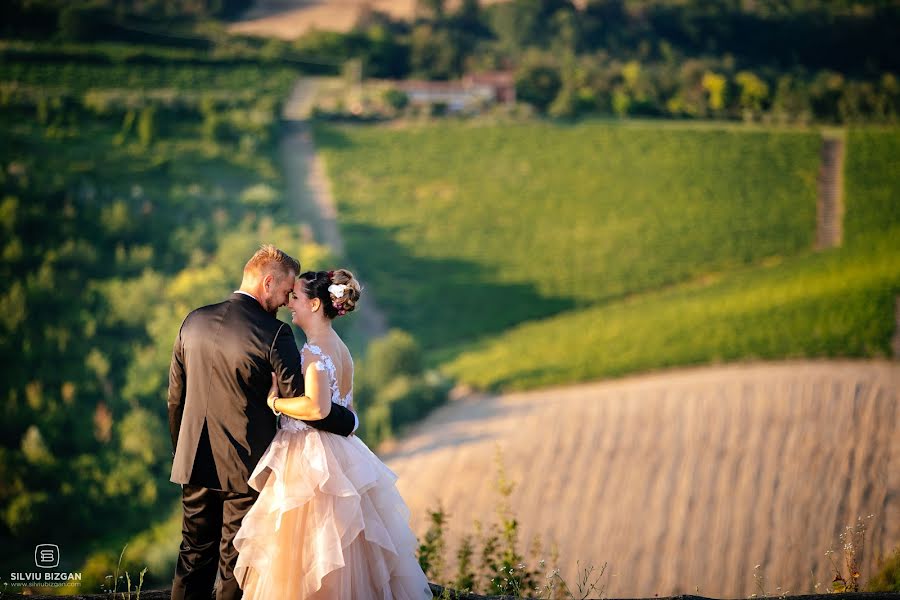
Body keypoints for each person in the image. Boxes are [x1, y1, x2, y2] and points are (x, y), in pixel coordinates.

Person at [168, 246, 359, 600]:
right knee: (236, 566)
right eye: (287, 291)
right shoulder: (274, 333)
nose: (287, 301)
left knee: (193, 557)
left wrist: (182, 451)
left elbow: (175, 399)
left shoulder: (192, 321)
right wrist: (348, 419)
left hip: (194, 461)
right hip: (247, 469)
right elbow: (301, 403)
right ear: (268, 282)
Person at [233, 269, 432, 599]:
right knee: (349, 553)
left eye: (295, 298)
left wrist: (276, 401)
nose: (289, 305)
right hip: (345, 453)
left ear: (313, 305)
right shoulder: (342, 349)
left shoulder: (313, 352)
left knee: (307, 554)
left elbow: (317, 409)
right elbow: (347, 412)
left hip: (314, 460)